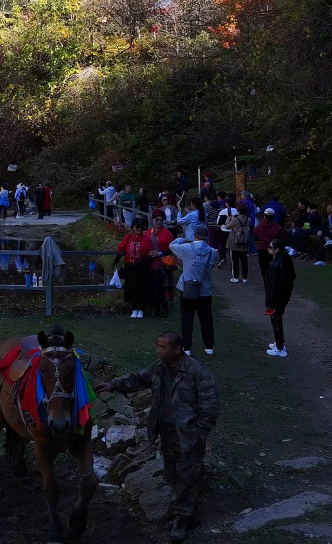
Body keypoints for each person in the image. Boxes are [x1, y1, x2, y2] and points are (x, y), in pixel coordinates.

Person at [97, 332, 219, 543]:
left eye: (163, 347)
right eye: (158, 346)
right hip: (167, 432)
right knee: (171, 474)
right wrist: (113, 385)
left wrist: (201, 432)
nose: (159, 350)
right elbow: (138, 379)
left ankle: (181, 519)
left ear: (177, 350)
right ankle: (188, 512)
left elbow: (211, 402)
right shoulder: (160, 367)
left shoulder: (197, 370)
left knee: (187, 475)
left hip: (189, 435)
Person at [170, 227, 219, 356]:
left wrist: (183, 239)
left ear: (195, 235)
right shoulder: (212, 252)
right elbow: (211, 266)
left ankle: (187, 347)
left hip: (187, 289)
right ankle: (209, 346)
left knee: (187, 318)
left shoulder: (187, 248)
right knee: (206, 319)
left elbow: (172, 245)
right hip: (205, 290)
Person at [114, 218, 152, 319]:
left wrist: (142, 260)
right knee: (131, 288)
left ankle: (141, 309)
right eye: (137, 227)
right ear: (133, 228)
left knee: (142, 288)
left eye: (142, 227)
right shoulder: (128, 237)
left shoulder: (146, 239)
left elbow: (150, 254)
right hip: (130, 267)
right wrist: (116, 260)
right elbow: (121, 248)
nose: (140, 229)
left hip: (142, 268)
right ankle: (134, 309)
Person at [263, 238, 296, 357]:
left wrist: (269, 302)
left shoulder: (275, 265)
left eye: (270, 247)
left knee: (275, 320)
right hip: (283, 296)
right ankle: (279, 342)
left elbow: (271, 286)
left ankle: (280, 347)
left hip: (276, 299)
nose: (268, 249)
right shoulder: (286, 261)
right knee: (276, 318)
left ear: (277, 250)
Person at [147, 213, 176, 317]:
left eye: (160, 220)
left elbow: (172, 249)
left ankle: (164, 309)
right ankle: (156, 308)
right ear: (153, 220)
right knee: (154, 287)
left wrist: (160, 253)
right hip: (151, 264)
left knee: (164, 288)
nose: (158, 222)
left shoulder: (167, 234)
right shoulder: (148, 233)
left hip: (163, 265)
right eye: (156, 220)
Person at [253, 209, 283, 282]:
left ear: (264, 216)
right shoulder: (277, 227)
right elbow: (282, 238)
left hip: (261, 248)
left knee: (263, 267)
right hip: (274, 249)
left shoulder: (258, 227)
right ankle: (273, 282)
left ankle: (266, 282)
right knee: (274, 267)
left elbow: (254, 237)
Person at [224, 202, 251, 283]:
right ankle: (245, 277)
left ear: (238, 211)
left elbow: (227, 226)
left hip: (234, 243)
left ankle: (235, 277)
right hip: (245, 242)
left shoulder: (235, 220)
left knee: (235, 261)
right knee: (244, 261)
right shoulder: (248, 220)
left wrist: (229, 218)